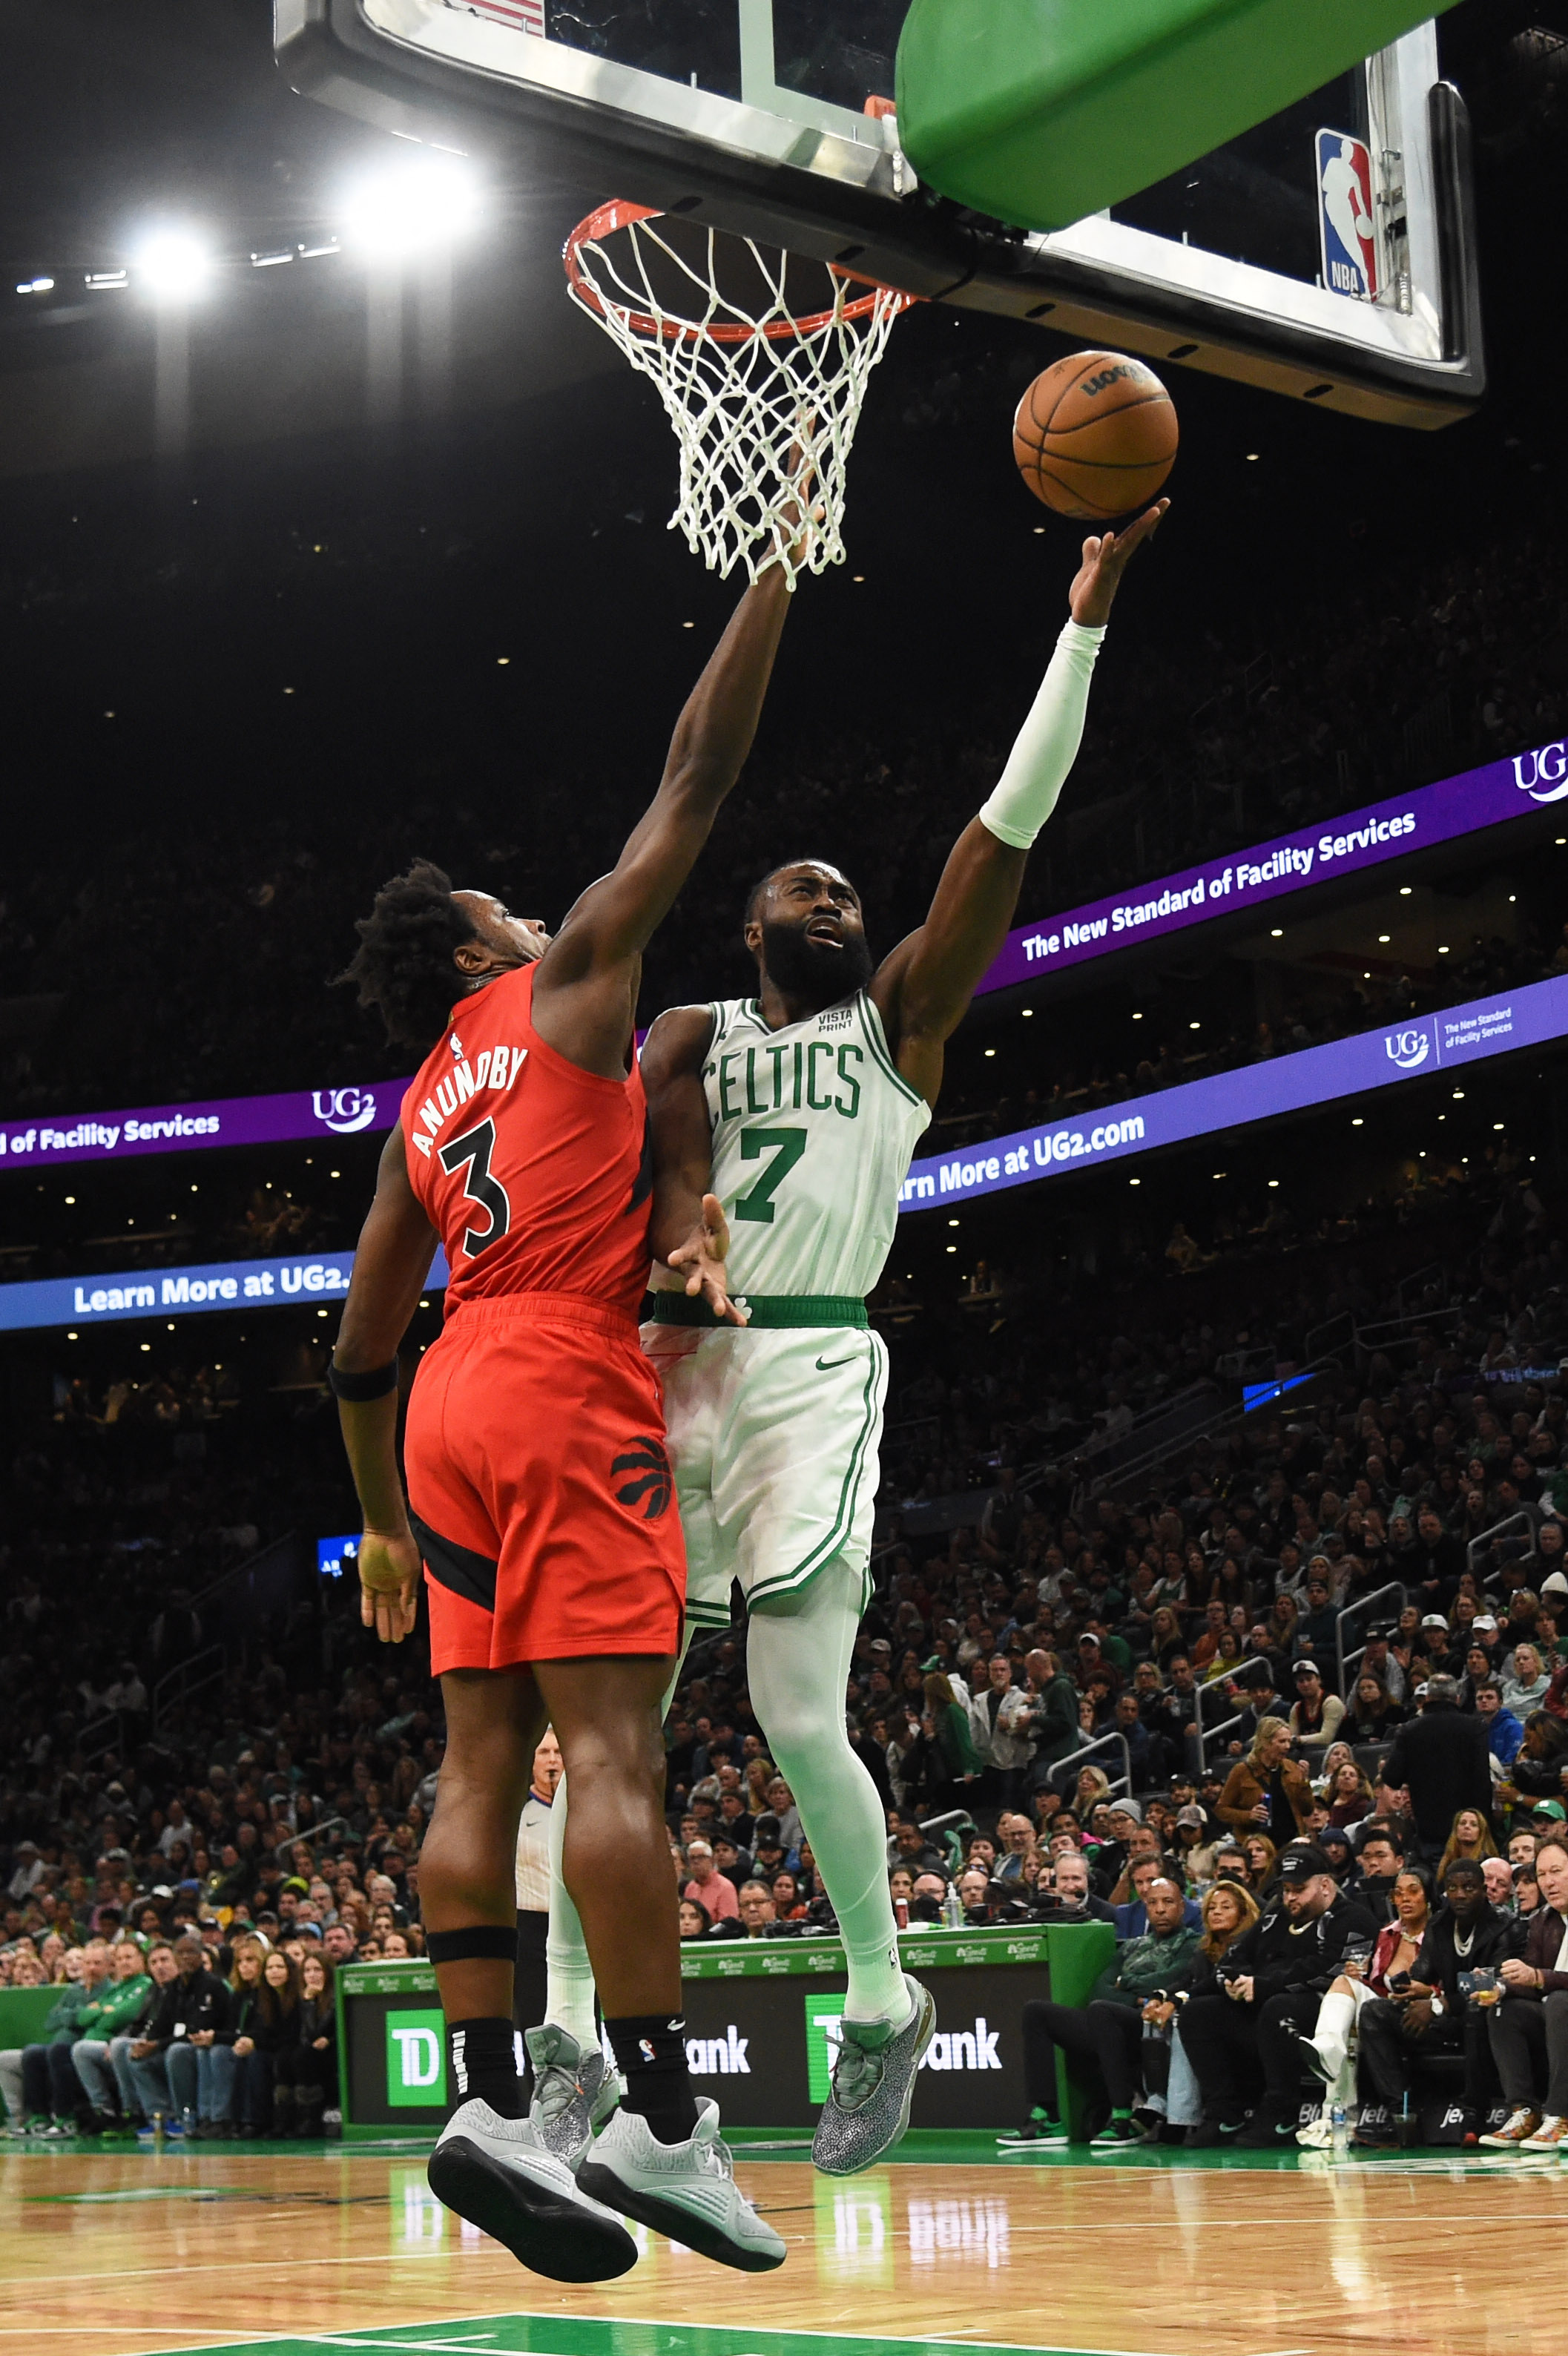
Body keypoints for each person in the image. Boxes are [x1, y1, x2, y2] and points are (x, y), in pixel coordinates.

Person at [564, 504, 1169, 2179]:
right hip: (671, 1372)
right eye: (801, 883)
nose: (831, 894)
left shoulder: (902, 1019)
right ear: (751, 924)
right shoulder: (687, 1031)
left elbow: (1005, 824)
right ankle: (562, 2042)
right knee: (610, 1722)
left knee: (793, 1710)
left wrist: (1087, 618)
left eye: (846, 885)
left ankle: (882, 1992)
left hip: (815, 1368)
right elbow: (648, 1122)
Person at [333, 559, 802, 2275]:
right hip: (554, 1367)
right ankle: (663, 2117)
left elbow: (358, 1347)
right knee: (611, 1754)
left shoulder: (416, 1105)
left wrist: (380, 1512)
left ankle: (486, 2094)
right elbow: (697, 769)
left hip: (448, 1398)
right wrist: (777, 571)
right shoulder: (570, 983)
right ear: (478, 947)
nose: (543, 907)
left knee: (475, 1758)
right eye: (507, 903)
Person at [1179, 1843, 1380, 2148]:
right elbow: (1236, 1956)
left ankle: (1282, 2113)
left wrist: (1262, 1985)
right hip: (1263, 2005)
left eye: (1298, 1889)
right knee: (1197, 2013)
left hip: (1325, 2011)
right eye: (1286, 1889)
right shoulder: (1276, 1916)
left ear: (1325, 1884)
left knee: (1278, 2006)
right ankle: (1224, 2112)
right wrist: (1234, 1981)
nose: (1290, 1897)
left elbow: (1330, 1971)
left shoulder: (1355, 1919)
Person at [1017, 1878, 1200, 2147]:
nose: (1160, 1909)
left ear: (1182, 1907)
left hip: (1152, 2027)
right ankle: (1049, 2117)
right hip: (1111, 2022)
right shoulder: (1132, 1946)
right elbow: (1101, 1990)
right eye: (1153, 1903)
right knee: (1036, 2012)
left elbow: (1170, 1980)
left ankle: (1122, 2115)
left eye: (1168, 1902)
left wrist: (1125, 1985)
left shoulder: (1192, 1943)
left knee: (1103, 2011)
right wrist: (1136, 1997)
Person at [1294, 1864, 1432, 2146]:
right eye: (1398, 1893)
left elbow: (1448, 1980)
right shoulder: (1387, 1934)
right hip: (1382, 2009)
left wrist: (1427, 1991)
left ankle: (1330, 2064)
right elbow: (1379, 1987)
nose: (1404, 1899)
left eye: (1413, 1892)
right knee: (1345, 1983)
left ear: (1428, 1896)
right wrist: (1363, 1977)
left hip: (1423, 2009)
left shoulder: (1438, 1933)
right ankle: (1327, 2048)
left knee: (1364, 2013)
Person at [1482, 1837, 1568, 2147]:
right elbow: (1531, 1976)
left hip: (1562, 2008)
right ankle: (1525, 2110)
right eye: (1542, 1875)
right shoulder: (1542, 1921)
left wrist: (1538, 1977)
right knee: (1505, 2010)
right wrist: (1501, 1988)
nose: (1548, 1882)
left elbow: (1541, 1978)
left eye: (1556, 1871)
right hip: (1556, 2016)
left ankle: (1561, 2115)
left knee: (1560, 2002)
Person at [1380, 1674, 1492, 1856]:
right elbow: (1482, 1780)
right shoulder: (1474, 1727)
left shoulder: (1409, 1730)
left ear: (1428, 1699)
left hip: (1429, 1828)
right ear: (1457, 1698)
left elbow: (1391, 1777)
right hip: (1470, 1830)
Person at [513, 1730, 561, 2050]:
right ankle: (539, 2095)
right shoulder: (515, 1814)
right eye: (544, 1752)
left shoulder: (587, 1810)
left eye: (559, 1752)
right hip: (530, 1929)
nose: (553, 1760)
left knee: (584, 2021)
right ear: (531, 1762)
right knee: (535, 2024)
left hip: (578, 1926)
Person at [1216, 1720, 1312, 1846]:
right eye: (1282, 1741)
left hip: (1290, 1843)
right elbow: (1221, 1810)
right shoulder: (1242, 1771)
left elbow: (1307, 1810)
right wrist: (1249, 1816)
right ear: (1265, 1743)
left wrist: (1305, 1782)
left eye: (1289, 1741)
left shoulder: (1292, 1768)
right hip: (1257, 1846)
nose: (1288, 1747)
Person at [273, 1951, 337, 2137]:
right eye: (307, 1970)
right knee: (285, 2058)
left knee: (302, 2058)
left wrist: (308, 2004)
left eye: (318, 1969)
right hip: (310, 2049)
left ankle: (310, 2118)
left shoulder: (333, 1997)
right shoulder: (301, 1998)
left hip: (331, 2051)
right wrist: (307, 2003)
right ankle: (285, 2118)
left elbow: (318, 2032)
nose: (312, 1975)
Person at [1436, 1806, 1499, 1882]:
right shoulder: (1447, 1862)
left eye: (1474, 1825)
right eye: (1463, 1823)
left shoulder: (1488, 1862)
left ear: (1481, 1832)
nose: (1467, 1827)